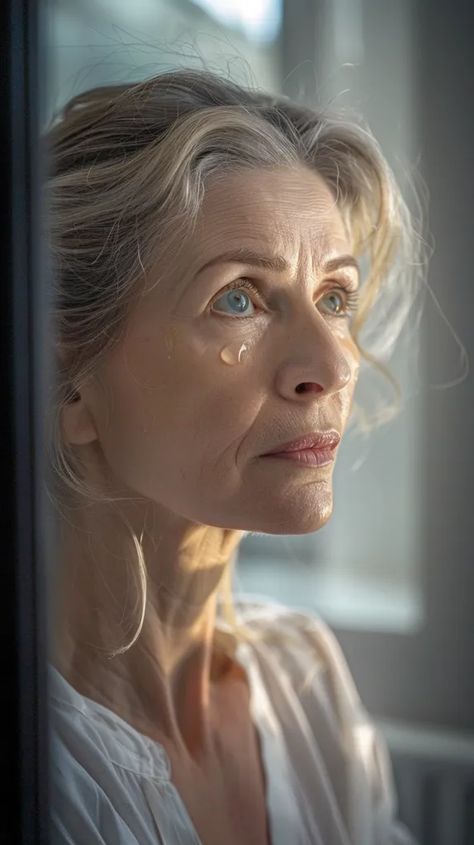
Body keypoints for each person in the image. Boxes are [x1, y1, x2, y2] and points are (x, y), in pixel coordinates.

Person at [44, 68, 421, 844]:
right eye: (240, 299)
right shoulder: (44, 773)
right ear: (67, 382)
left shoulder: (303, 678)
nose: (333, 363)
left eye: (335, 298)